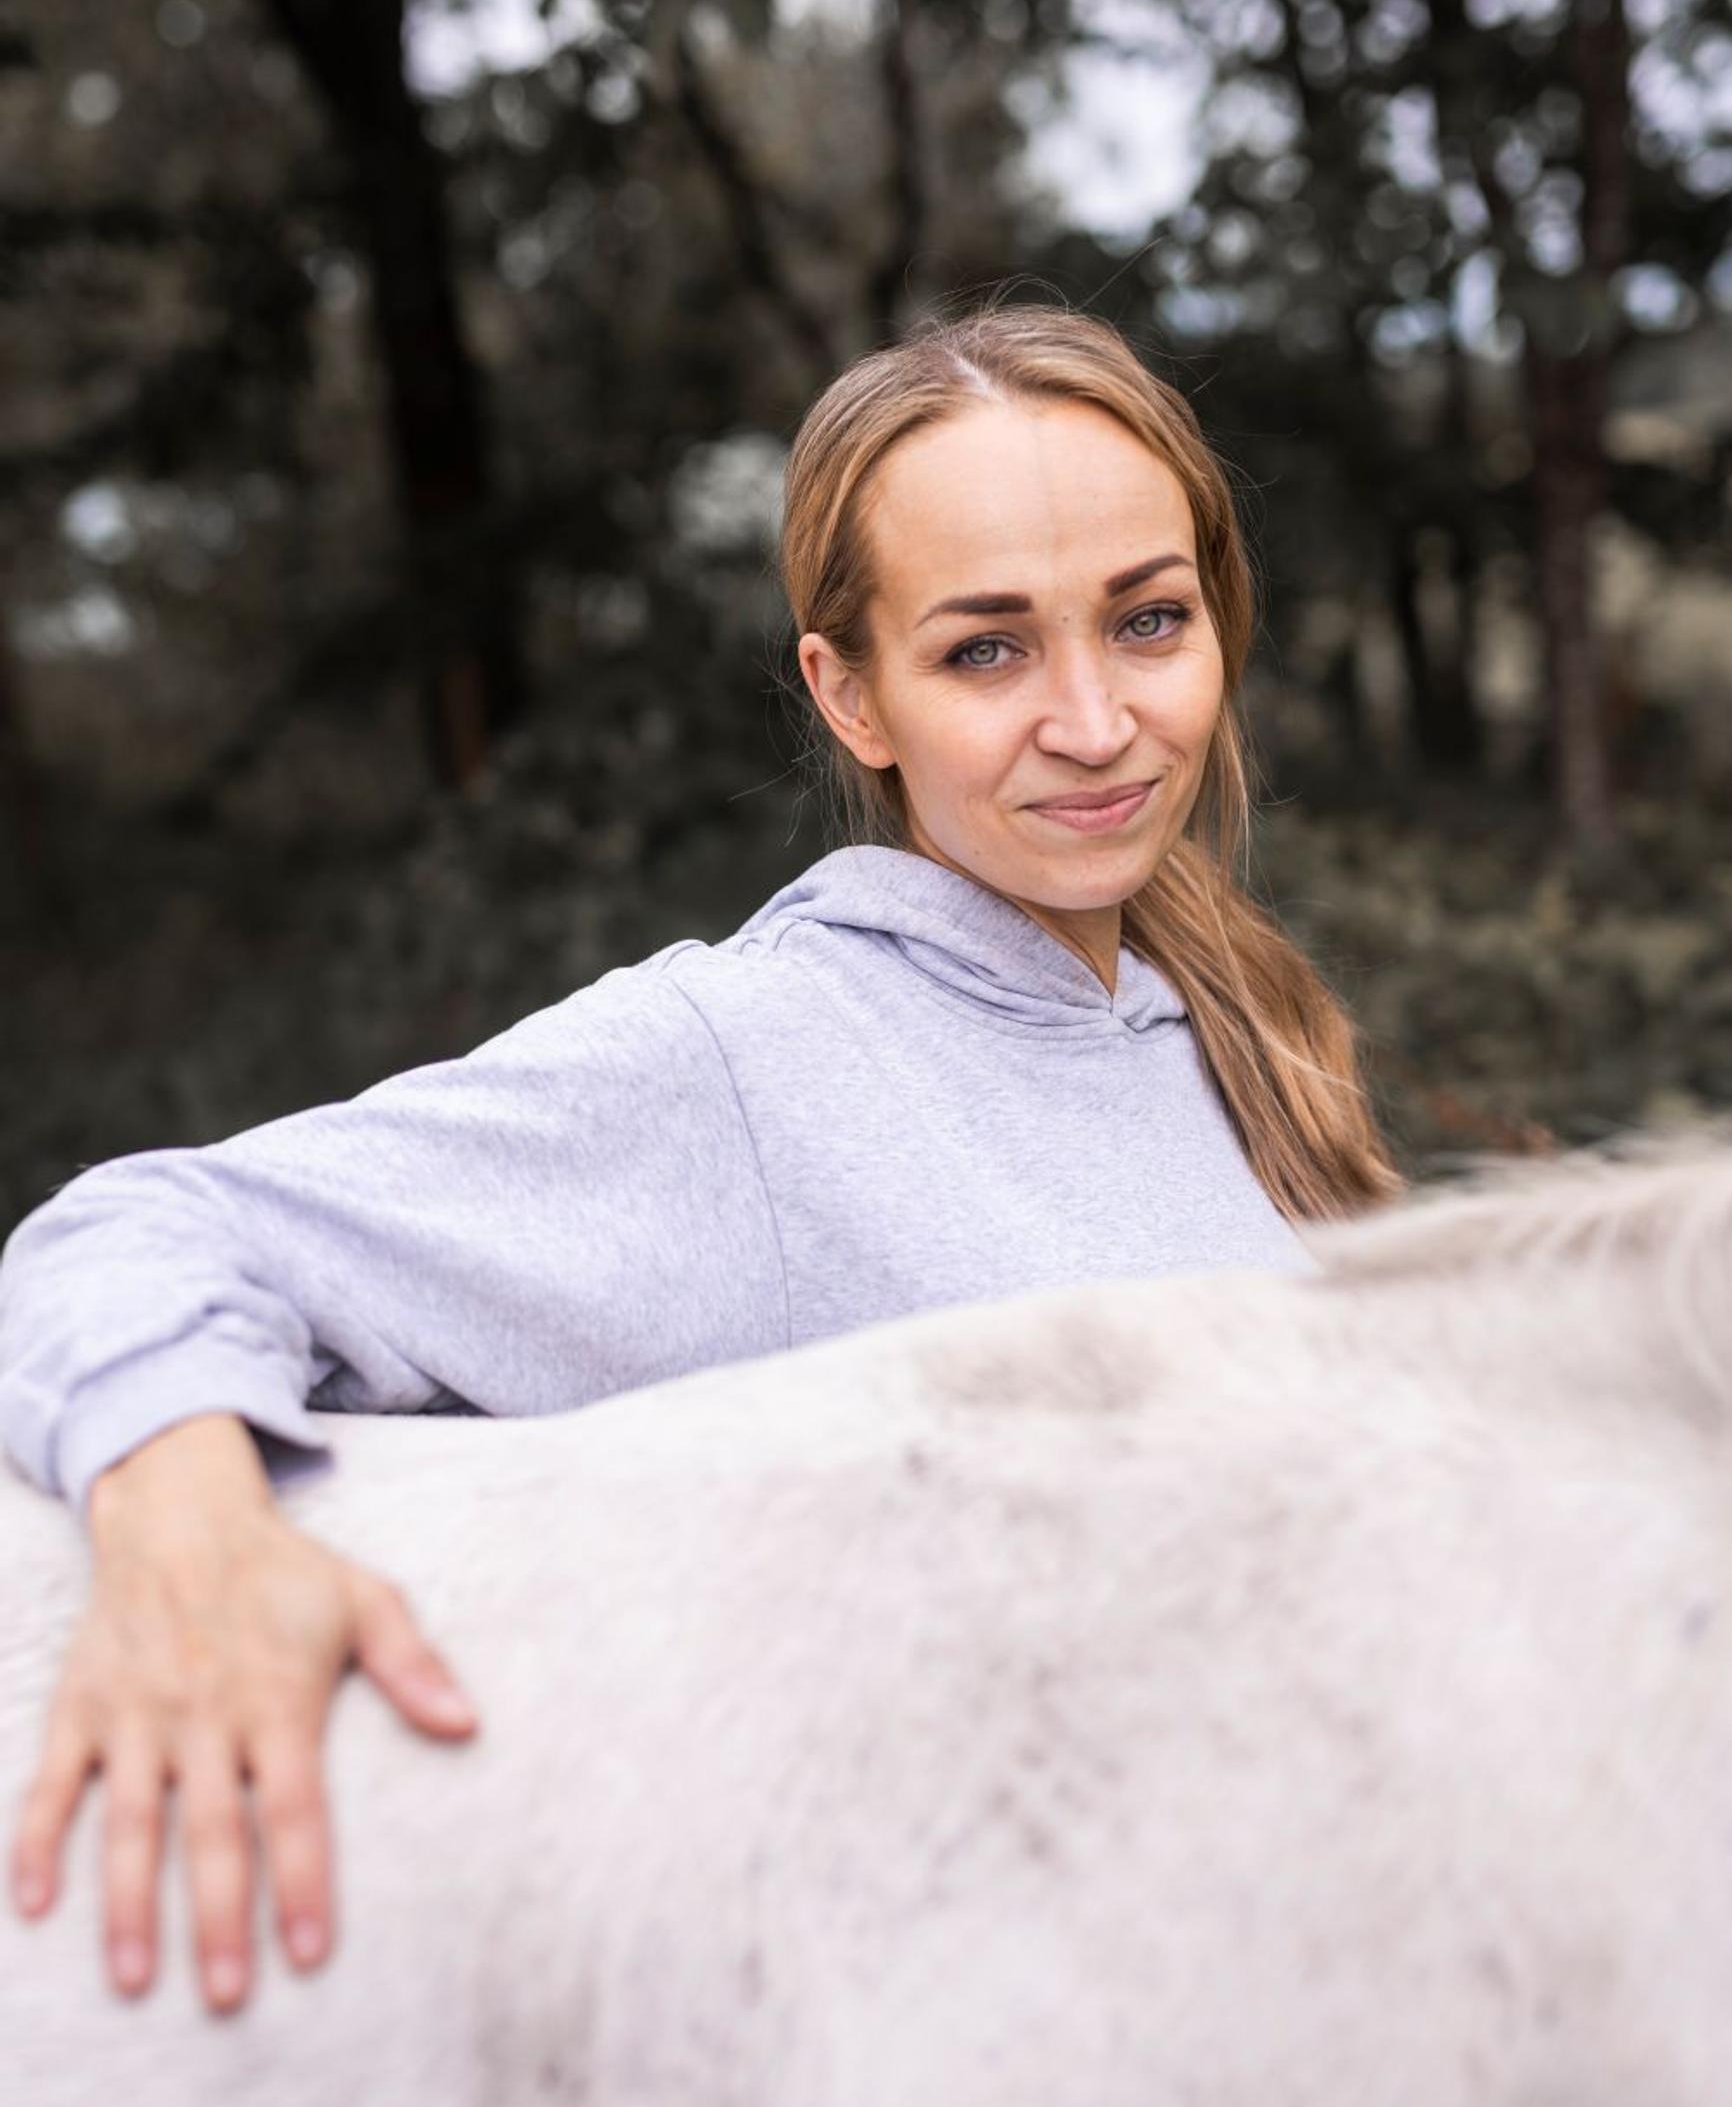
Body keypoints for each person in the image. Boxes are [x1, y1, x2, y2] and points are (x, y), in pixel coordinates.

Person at [0, 299, 1402, 2018]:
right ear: (853, 693)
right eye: (987, 650)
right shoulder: (751, 1066)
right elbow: (132, 1233)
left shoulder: (1232, 1021)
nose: (1097, 719)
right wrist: (189, 1544)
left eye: (1148, 621)